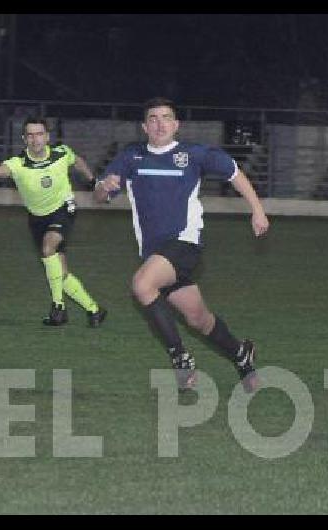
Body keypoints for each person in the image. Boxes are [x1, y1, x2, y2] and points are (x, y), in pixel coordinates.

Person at [94, 97, 269, 392]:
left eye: (166, 118)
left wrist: (258, 209)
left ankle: (180, 359)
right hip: (155, 254)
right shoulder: (131, 156)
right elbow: (101, 194)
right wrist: (103, 187)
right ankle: (242, 355)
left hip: (185, 244)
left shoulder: (193, 154)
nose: (160, 123)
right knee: (199, 319)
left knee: (142, 285)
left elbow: (233, 172)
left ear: (176, 125)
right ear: (144, 126)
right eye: (153, 118)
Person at [0, 117, 106, 327]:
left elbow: (78, 161)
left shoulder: (61, 153)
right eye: (30, 135)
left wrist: (93, 181)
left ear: (47, 136)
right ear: (24, 139)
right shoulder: (18, 164)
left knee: (48, 247)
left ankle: (58, 308)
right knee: (60, 273)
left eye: (39, 134)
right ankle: (94, 310)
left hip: (63, 209)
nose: (35, 139)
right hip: (37, 218)